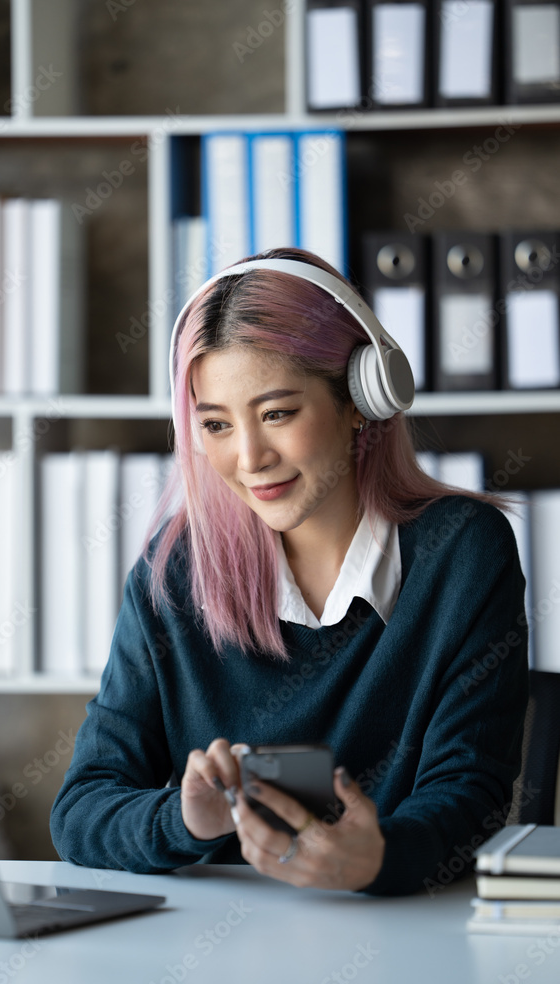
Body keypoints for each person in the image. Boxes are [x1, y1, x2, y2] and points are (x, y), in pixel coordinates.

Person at [50, 247, 529, 896]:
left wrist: (376, 857)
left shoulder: (461, 551)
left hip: (404, 936)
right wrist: (182, 820)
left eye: (277, 413)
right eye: (216, 424)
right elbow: (80, 813)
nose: (249, 458)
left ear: (361, 398)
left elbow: (469, 791)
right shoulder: (175, 574)